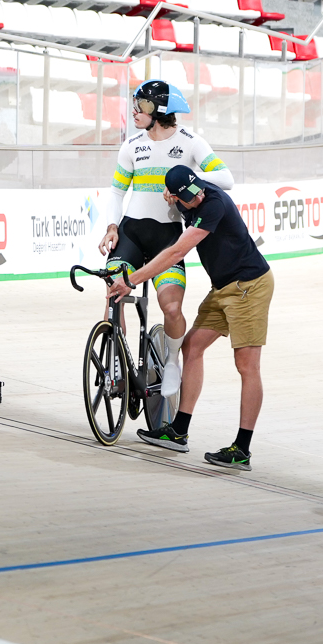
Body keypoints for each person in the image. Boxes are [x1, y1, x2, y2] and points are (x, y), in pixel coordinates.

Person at [115, 167, 271, 468]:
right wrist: (173, 199)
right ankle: (179, 431)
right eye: (188, 196)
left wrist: (132, 279)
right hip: (224, 287)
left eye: (197, 190)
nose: (197, 196)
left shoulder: (213, 203)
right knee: (192, 347)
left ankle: (242, 449)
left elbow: (175, 253)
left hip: (250, 286)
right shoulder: (183, 199)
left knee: (247, 365)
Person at [100, 79, 233, 403]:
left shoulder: (190, 143)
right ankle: (116, 365)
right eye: (135, 103)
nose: (135, 110)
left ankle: (172, 361)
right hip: (131, 232)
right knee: (113, 293)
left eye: (142, 106)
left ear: (160, 111)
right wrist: (111, 226)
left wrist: (189, 181)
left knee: (171, 307)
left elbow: (226, 178)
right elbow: (117, 193)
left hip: (167, 236)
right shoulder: (131, 145)